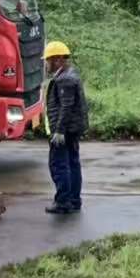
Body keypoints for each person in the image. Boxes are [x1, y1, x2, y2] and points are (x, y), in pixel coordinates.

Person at [43, 40, 89, 215]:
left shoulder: (65, 79)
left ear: (58, 60)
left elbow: (66, 106)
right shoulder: (68, 75)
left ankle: (63, 201)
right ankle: (74, 200)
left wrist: (59, 131)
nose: (46, 64)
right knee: (72, 163)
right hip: (73, 128)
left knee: (59, 165)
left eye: (48, 60)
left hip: (65, 130)